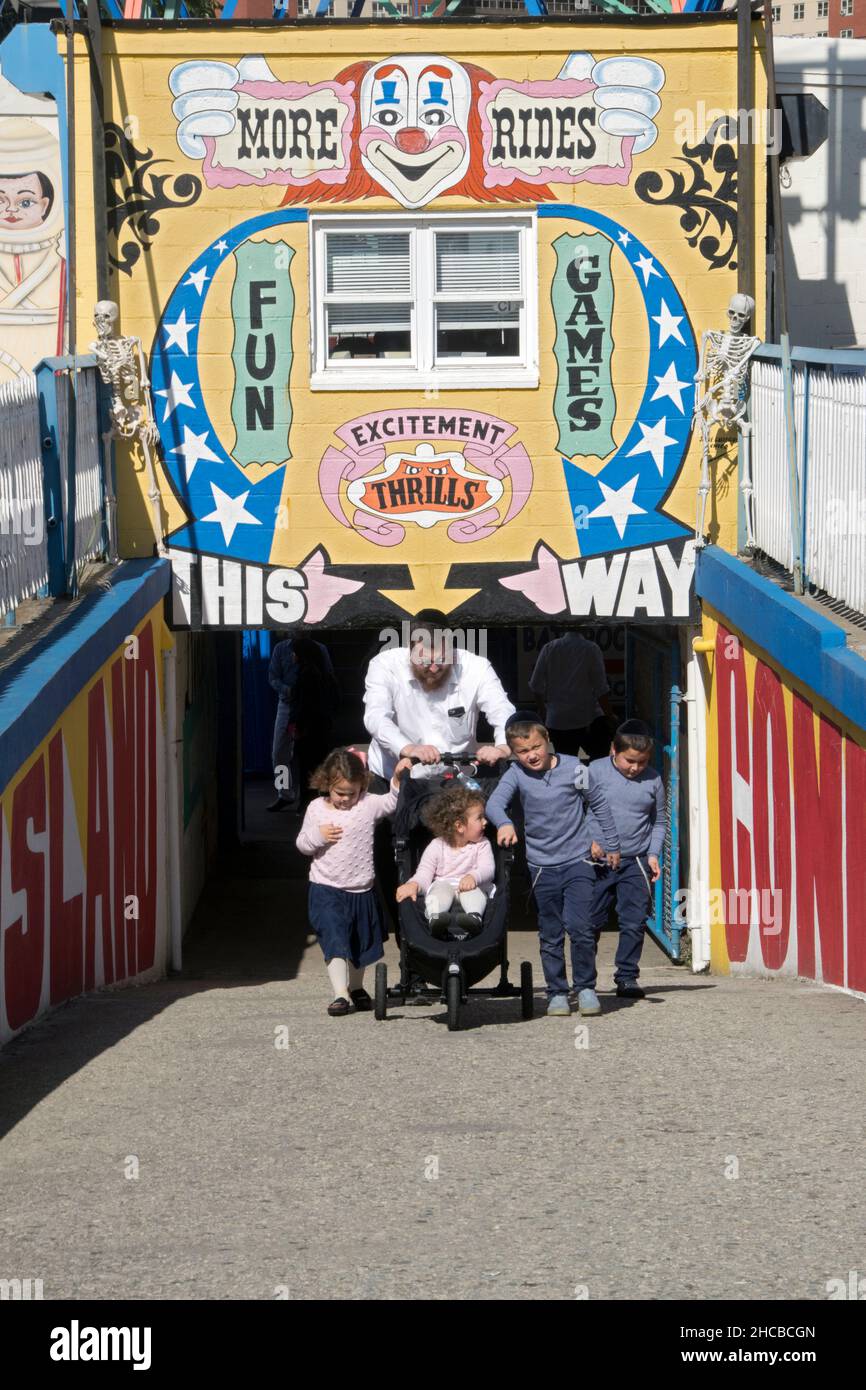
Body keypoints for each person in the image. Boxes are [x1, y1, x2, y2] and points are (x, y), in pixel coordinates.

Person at [363, 609, 514, 994]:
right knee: (397, 863)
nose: (432, 668)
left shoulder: (476, 668)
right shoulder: (385, 665)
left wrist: (500, 745)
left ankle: (465, 945)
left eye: (440, 661)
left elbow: (504, 714)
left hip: (455, 781)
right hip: (399, 775)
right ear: (410, 647)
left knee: (470, 856)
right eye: (424, 660)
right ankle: (412, 959)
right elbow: (376, 717)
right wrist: (406, 747)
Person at [485, 715, 620, 1018]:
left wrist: (610, 843)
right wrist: (505, 823)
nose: (531, 754)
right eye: (522, 751)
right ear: (514, 753)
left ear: (547, 741)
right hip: (542, 865)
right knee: (550, 931)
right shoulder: (516, 774)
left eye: (536, 746)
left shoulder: (575, 767)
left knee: (581, 927)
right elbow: (494, 804)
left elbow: (598, 803)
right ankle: (557, 991)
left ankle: (585, 987)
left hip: (578, 860)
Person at [295, 748, 412, 1016]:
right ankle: (340, 993)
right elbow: (302, 844)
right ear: (327, 785)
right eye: (340, 794)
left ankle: (357, 987)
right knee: (334, 938)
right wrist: (318, 835)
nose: (346, 799)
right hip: (326, 888)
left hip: (361, 888)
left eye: (353, 793)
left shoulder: (367, 804)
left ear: (362, 786)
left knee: (362, 942)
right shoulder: (316, 810)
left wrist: (396, 778)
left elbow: (391, 803)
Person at [585, 719, 666, 1000]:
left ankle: (627, 976)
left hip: (636, 861)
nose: (635, 768)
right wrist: (589, 841)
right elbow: (571, 810)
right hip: (596, 861)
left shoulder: (653, 779)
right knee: (589, 923)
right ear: (612, 751)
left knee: (633, 922)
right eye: (629, 760)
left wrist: (653, 854)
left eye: (642, 762)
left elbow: (660, 821)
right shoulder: (591, 771)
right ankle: (585, 980)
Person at [396, 784, 494, 940]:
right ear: (459, 826)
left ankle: (474, 918)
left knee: (475, 894)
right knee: (438, 892)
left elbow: (488, 868)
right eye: (479, 818)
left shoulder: (482, 844)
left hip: (471, 885)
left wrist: (474, 876)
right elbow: (424, 873)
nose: (485, 822)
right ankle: (436, 918)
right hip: (445, 884)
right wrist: (414, 884)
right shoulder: (437, 846)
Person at [528, 628, 615, 761]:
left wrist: (543, 710)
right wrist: (610, 716)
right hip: (585, 721)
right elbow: (601, 689)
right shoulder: (591, 649)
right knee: (595, 766)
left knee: (563, 767)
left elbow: (535, 686)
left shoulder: (549, 648)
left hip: (557, 722)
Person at [291, 637, 340, 808]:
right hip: (322, 727)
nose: (292, 656)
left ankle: (306, 802)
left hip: (308, 729)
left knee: (306, 767)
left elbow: (303, 704)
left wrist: (297, 725)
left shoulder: (306, 674)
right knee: (320, 764)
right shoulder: (324, 674)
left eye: (295, 652)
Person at [267, 636, 298, 812]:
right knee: (279, 752)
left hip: (310, 706)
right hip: (287, 703)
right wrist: (288, 690)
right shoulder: (281, 648)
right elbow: (272, 677)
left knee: (310, 754)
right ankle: (284, 794)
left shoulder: (318, 648)